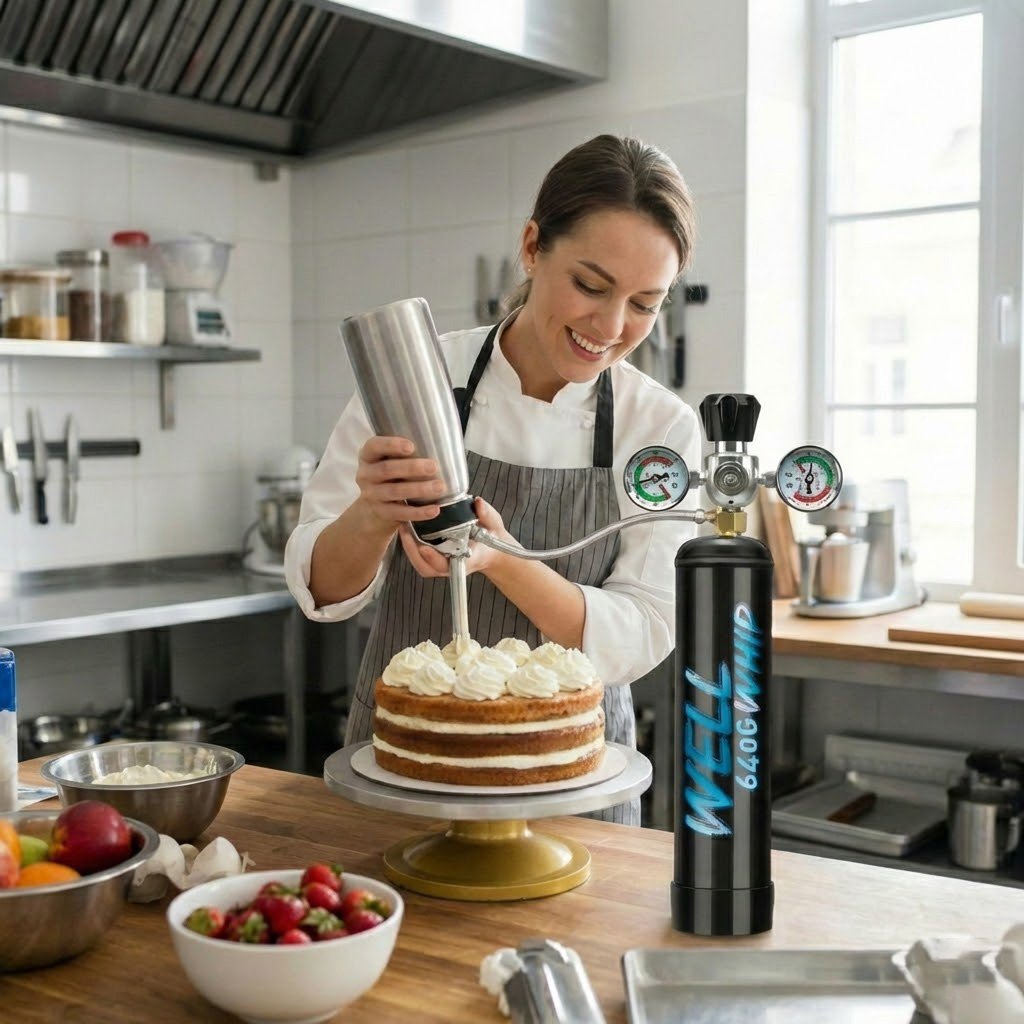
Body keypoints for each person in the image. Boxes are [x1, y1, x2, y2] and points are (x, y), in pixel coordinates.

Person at [285, 134, 702, 825]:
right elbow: (320, 591)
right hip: (408, 777)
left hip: (574, 792)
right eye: (591, 286)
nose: (611, 325)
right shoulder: (417, 380)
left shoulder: (659, 429)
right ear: (533, 247)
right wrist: (371, 514)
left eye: (644, 303)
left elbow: (641, 633)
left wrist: (501, 560)